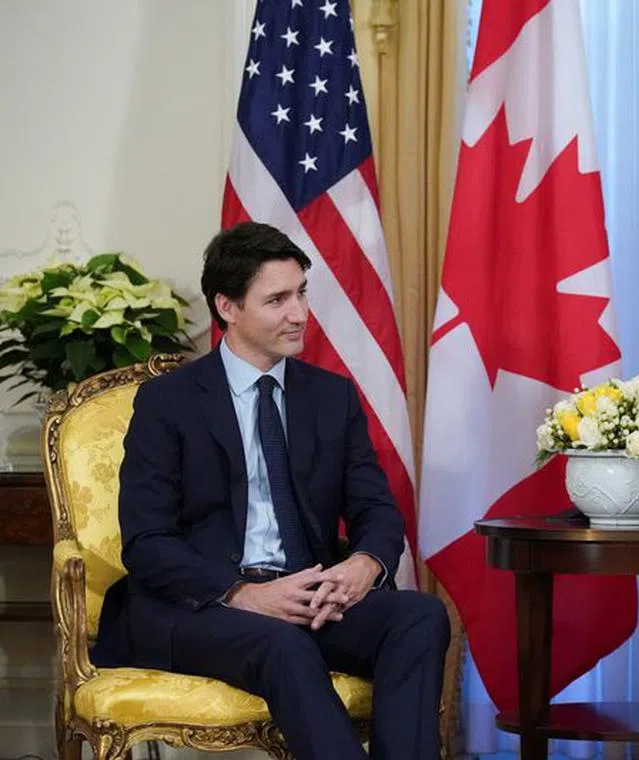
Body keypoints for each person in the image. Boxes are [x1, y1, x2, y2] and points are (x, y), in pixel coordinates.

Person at [103, 222, 449, 760]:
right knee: (282, 643)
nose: (300, 313)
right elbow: (146, 541)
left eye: (302, 292)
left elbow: (375, 507)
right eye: (278, 299)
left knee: (420, 616)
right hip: (204, 607)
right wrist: (244, 595)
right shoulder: (168, 402)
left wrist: (364, 564)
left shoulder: (331, 397)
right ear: (228, 307)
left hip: (306, 596)